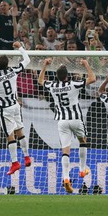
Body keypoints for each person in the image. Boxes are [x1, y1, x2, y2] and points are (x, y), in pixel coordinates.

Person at [37, 58, 96, 193]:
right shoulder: (73, 84)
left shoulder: (52, 86)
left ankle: (66, 178)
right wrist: (86, 64)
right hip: (75, 118)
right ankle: (82, 169)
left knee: (65, 151)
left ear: (57, 76)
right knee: (83, 141)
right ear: (67, 75)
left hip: (62, 121)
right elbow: (92, 78)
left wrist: (45, 65)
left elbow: (40, 81)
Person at [0, 41, 32, 176]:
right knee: (20, 131)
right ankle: (26, 157)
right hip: (15, 105)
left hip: (5, 109)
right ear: (8, 64)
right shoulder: (13, 71)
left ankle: (15, 162)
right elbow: (27, 60)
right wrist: (20, 47)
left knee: (10, 136)